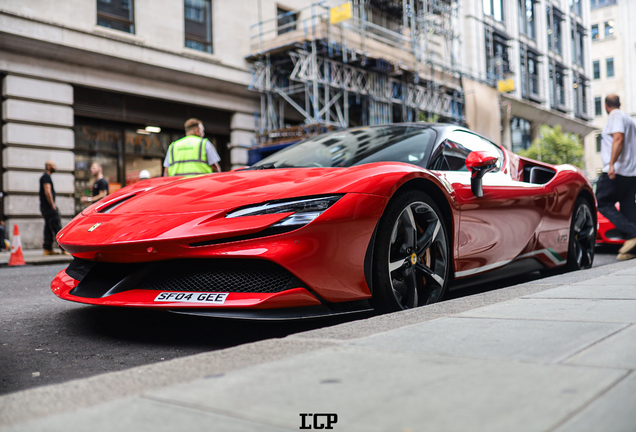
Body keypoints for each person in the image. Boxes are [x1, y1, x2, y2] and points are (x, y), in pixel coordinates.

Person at [596, 94, 636, 261]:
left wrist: (611, 164)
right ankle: (632, 249)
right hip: (631, 172)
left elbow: (618, 139)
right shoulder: (630, 120)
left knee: (603, 202)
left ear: (606, 106)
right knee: (628, 207)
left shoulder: (616, 115)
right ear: (619, 103)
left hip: (617, 171)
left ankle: (632, 234)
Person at [40, 160, 64, 256]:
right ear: (49, 166)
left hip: (45, 207)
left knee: (48, 227)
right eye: (54, 165)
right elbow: (47, 192)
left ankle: (47, 248)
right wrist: (53, 205)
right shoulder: (46, 177)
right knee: (56, 226)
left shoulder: (45, 177)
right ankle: (64, 248)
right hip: (49, 207)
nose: (56, 167)